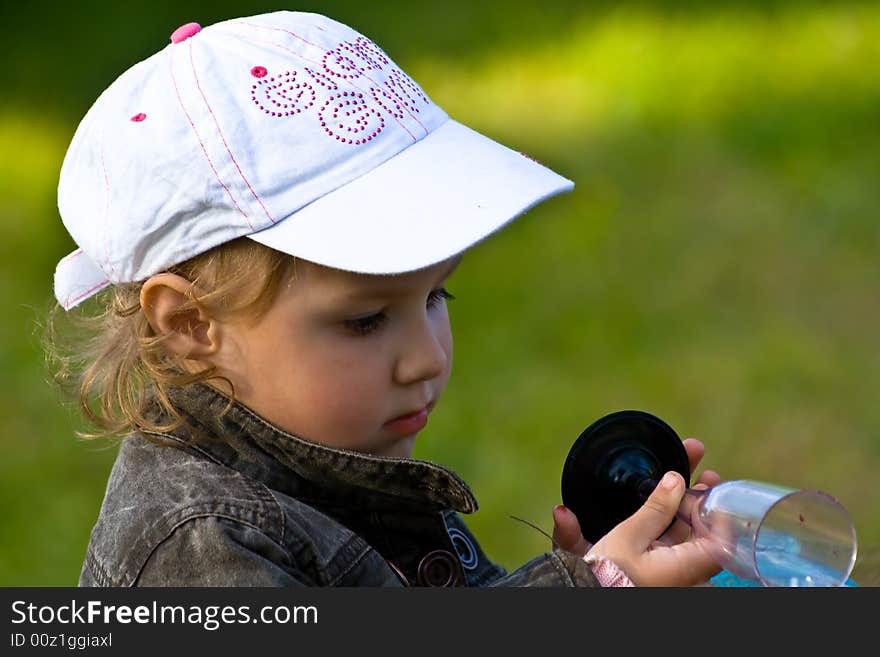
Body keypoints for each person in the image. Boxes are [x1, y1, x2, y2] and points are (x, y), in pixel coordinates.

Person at [47, 10, 721, 587]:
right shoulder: (201, 551)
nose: (426, 358)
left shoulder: (339, 456)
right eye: (365, 319)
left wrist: (587, 569)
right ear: (192, 323)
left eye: (436, 293)